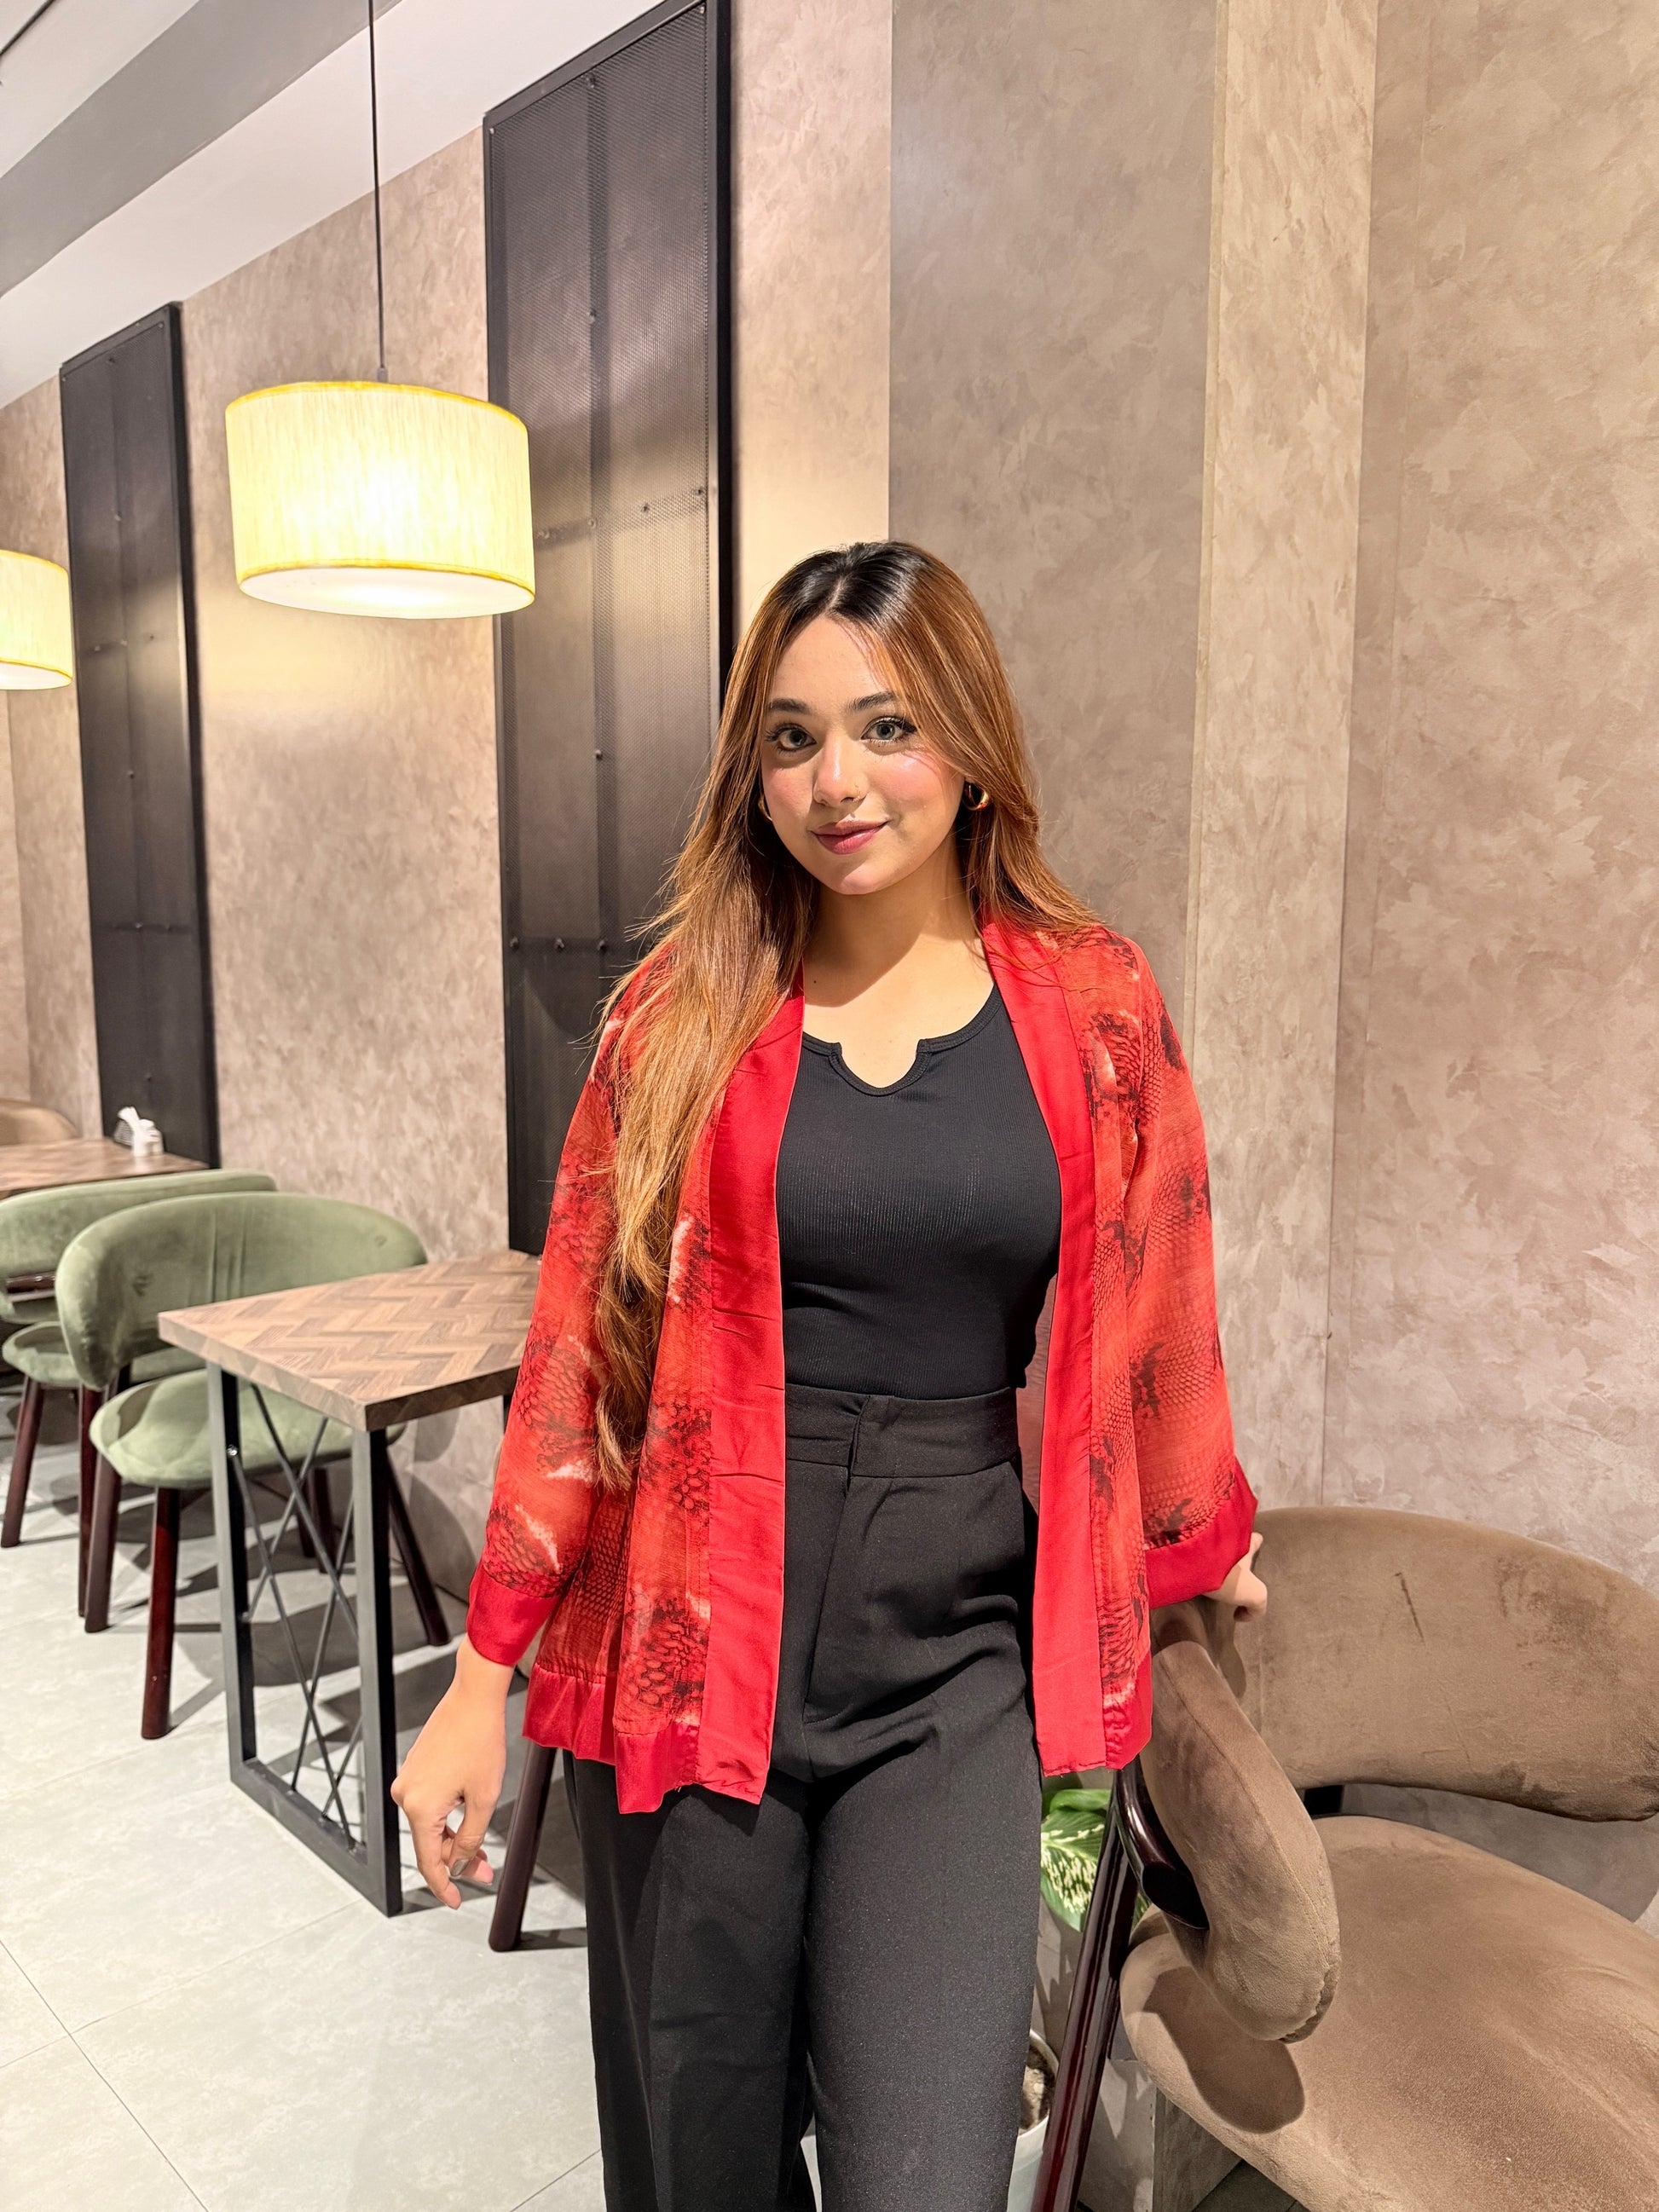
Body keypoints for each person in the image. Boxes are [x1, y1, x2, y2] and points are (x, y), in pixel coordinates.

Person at [392, 542, 1267, 2212]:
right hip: (691, 1632)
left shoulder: (1092, 1003)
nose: (836, 781)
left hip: (951, 1664)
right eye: (790, 739)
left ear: (970, 744)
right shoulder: (678, 1014)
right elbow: (582, 1349)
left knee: (924, 2163)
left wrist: (1199, 1531)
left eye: (886, 726)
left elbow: (1160, 1299)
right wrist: (480, 1672)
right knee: (703, 2152)